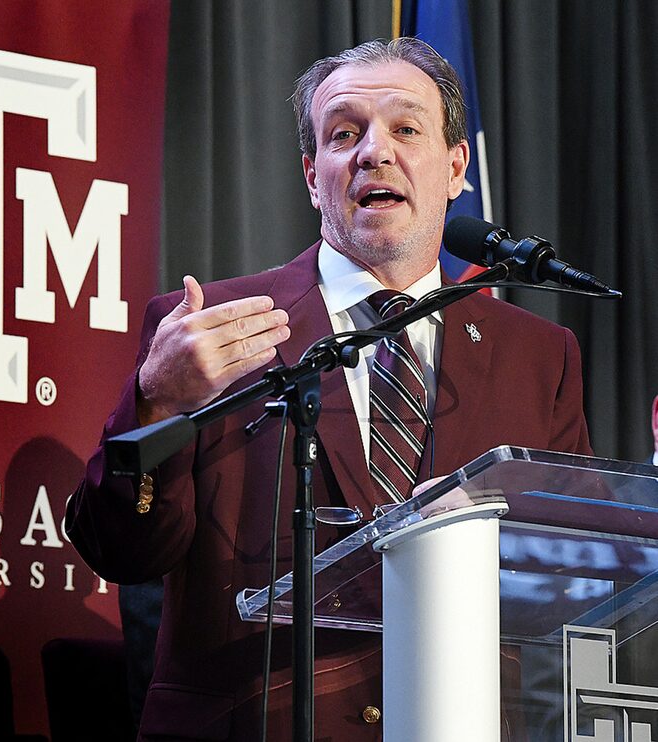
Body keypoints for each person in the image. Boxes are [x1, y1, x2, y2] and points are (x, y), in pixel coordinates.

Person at [66, 37, 591, 740]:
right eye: (345, 134)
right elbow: (122, 551)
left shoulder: (538, 356)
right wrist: (157, 398)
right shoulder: (208, 327)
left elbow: (575, 577)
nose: (375, 152)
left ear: (456, 168)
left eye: (406, 129)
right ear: (314, 175)